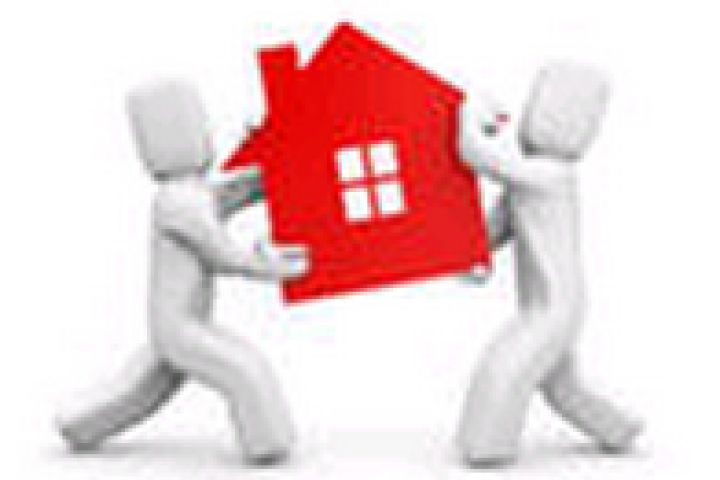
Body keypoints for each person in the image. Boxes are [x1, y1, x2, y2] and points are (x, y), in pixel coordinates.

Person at [56, 80, 307, 464]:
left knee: (139, 390)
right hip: (181, 330)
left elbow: (239, 191)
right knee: (246, 372)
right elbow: (220, 254)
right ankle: (266, 442)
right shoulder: (177, 202)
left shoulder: (195, 193)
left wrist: (269, 156)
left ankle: (78, 427)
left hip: (184, 326)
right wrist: (266, 265)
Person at [456, 62, 643, 465]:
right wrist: (474, 255)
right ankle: (620, 429)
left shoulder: (551, 176)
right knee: (561, 385)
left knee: (504, 368)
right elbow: (498, 229)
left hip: (554, 308)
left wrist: (468, 112)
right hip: (544, 306)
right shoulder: (525, 181)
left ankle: (488, 445)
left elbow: (476, 155)